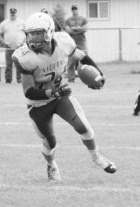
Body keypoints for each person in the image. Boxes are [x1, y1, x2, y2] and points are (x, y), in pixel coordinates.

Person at [12, 12, 116, 181]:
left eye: (38, 33)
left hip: (60, 97)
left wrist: (99, 75)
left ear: (49, 31)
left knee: (83, 127)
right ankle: (51, 166)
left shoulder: (63, 42)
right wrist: (52, 92)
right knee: (50, 142)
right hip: (38, 104)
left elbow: (83, 57)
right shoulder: (23, 57)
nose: (34, 38)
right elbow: (28, 91)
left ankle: (97, 158)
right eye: (31, 34)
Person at [0, 8, 26, 83]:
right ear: (9, 13)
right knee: (8, 64)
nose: (13, 14)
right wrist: (3, 42)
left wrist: (23, 42)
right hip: (8, 46)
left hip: (19, 46)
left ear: (16, 13)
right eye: (11, 13)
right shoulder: (5, 23)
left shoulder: (22, 22)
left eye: (14, 13)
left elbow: (28, 32)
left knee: (19, 63)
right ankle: (8, 79)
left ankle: (19, 79)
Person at [65, 4, 88, 83]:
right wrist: (79, 29)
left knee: (84, 63)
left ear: (78, 9)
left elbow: (85, 29)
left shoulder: (83, 19)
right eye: (73, 9)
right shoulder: (68, 20)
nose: (74, 10)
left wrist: (75, 28)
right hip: (72, 45)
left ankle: (86, 79)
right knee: (71, 64)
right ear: (71, 10)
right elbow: (68, 30)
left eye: (76, 9)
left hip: (82, 44)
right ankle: (71, 79)